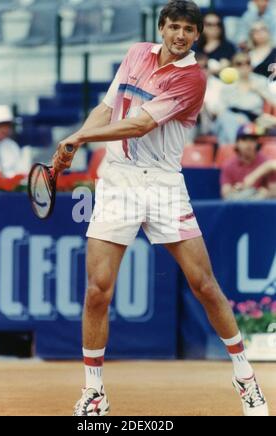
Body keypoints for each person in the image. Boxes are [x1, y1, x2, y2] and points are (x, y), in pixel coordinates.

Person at [53, 1, 269, 417]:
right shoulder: (136, 53)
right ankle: (94, 390)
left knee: (204, 284)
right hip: (117, 179)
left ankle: (245, 378)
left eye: (189, 29)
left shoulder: (193, 79)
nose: (180, 35)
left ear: (196, 36)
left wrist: (81, 141)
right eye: (174, 27)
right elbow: (109, 106)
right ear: (162, 27)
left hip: (163, 184)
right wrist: (76, 136)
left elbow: (140, 124)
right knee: (98, 289)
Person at [214, 52, 276, 144]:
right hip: (230, 116)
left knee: (224, 131)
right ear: (233, 67)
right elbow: (220, 108)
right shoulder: (227, 83)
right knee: (227, 119)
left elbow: (273, 102)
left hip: (253, 119)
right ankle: (236, 147)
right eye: (239, 64)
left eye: (247, 63)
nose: (244, 66)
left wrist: (260, 91)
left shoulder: (260, 81)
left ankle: (233, 149)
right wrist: (236, 118)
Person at [220, 123, 276, 200]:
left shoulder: (265, 161)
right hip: (238, 208)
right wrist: (240, 190)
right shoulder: (229, 165)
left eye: (252, 140)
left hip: (261, 208)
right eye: (244, 139)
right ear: (237, 143)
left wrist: (265, 193)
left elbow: (273, 192)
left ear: (257, 143)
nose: (248, 144)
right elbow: (225, 194)